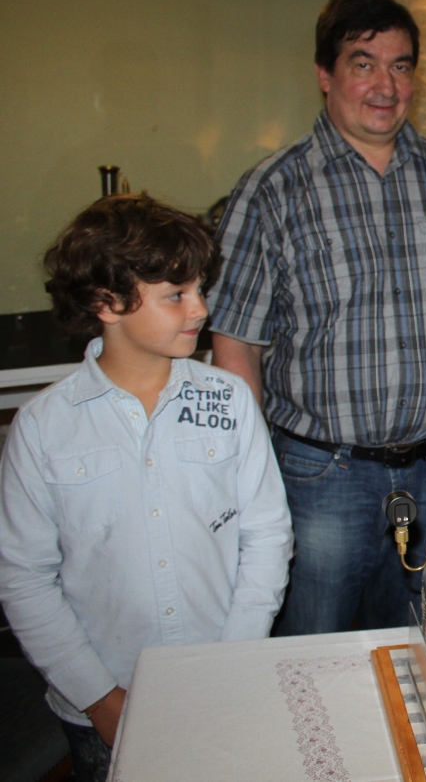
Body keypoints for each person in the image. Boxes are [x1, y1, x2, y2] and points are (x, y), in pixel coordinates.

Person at [207, 0, 426, 634]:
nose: (384, 86)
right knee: (308, 656)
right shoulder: (272, 190)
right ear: (325, 73)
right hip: (319, 477)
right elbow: (236, 348)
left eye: (400, 66)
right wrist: (248, 476)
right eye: (363, 64)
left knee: (414, 651)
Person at [0, 196, 292, 782]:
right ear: (107, 302)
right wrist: (100, 698)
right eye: (176, 295)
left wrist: (229, 661)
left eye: (200, 289)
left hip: (220, 681)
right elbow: (24, 578)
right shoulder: (44, 426)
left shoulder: (229, 400)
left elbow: (267, 537)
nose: (201, 308)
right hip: (102, 701)